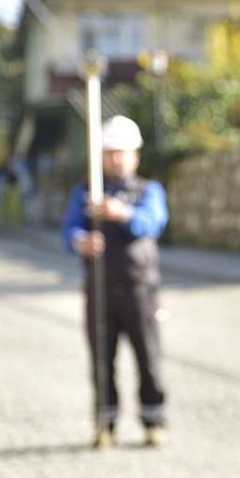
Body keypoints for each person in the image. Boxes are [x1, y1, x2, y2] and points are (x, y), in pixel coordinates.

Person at [62, 115, 169, 448]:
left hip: (140, 289)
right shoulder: (86, 193)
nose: (116, 159)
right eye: (110, 152)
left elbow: (151, 223)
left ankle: (154, 420)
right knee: (101, 360)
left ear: (134, 155)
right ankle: (105, 424)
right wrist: (82, 241)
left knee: (148, 357)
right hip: (100, 289)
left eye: (122, 152)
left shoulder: (149, 191)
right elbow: (69, 230)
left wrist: (121, 213)